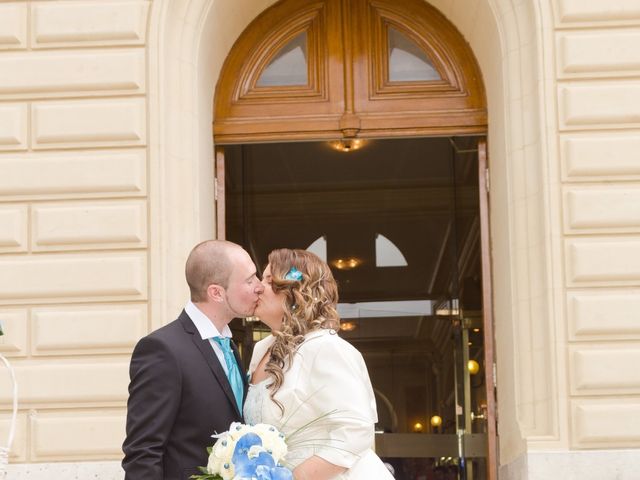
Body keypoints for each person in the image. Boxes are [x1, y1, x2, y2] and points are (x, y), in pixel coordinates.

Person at [244, 248, 394, 480]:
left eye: (268, 280)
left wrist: (292, 478)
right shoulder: (261, 350)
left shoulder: (326, 348)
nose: (257, 287)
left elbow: (354, 431)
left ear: (294, 292)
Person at [122, 240, 264, 479]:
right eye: (249, 280)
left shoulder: (229, 344)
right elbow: (143, 451)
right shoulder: (162, 349)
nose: (260, 287)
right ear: (216, 292)